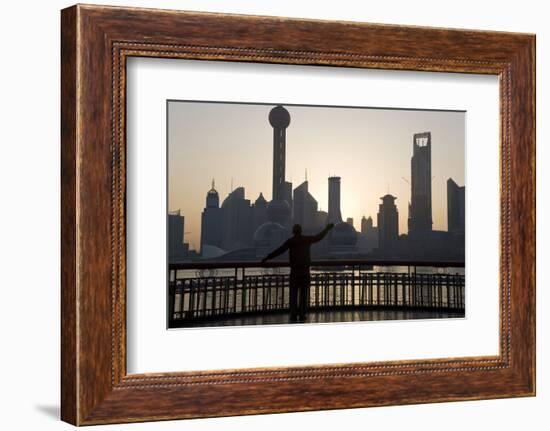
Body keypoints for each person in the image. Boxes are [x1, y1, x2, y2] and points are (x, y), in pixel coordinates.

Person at [261, 223, 335, 322]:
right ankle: (302, 314)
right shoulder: (306, 239)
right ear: (300, 231)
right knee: (304, 295)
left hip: (295, 273)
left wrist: (267, 258)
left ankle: (293, 314)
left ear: (293, 232)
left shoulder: (291, 241)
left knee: (293, 295)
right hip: (304, 272)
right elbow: (318, 237)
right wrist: (326, 229)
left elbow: (279, 251)